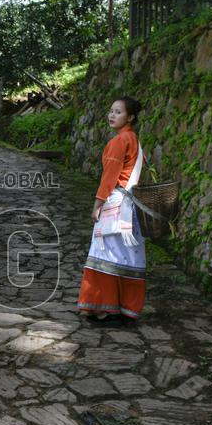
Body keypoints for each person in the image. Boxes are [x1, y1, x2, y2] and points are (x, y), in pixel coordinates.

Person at [78, 96, 146, 326]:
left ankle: (104, 309)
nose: (112, 115)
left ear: (131, 117)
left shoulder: (119, 141)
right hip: (130, 205)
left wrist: (97, 204)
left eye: (118, 112)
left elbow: (110, 177)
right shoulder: (134, 139)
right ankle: (125, 307)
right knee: (127, 256)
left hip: (116, 204)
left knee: (105, 255)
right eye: (111, 111)